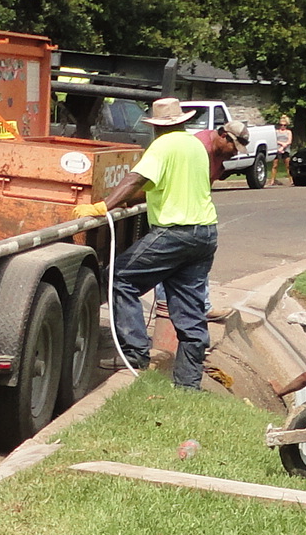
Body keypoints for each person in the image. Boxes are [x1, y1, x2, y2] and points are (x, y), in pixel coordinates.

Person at [98, 97, 238, 388]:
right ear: (182, 121)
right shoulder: (196, 147)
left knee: (118, 277)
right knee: (190, 311)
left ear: (156, 126)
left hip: (176, 233)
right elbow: (159, 184)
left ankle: (135, 353)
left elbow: (135, 179)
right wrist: (128, 201)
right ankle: (188, 385)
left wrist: (104, 206)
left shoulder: (163, 145)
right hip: (205, 234)